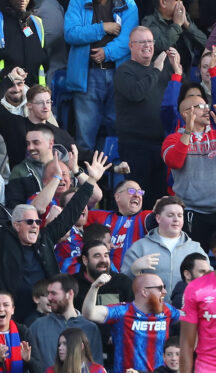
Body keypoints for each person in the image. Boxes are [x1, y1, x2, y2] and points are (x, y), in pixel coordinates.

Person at [0, 151, 109, 322]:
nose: (35, 226)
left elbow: (70, 214)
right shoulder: (1, 238)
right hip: (9, 316)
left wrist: (90, 181)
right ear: (16, 225)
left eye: (37, 222)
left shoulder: (45, 238)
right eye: (29, 222)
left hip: (43, 314)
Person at [83, 271, 180, 373]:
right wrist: (95, 287)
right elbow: (89, 313)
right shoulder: (122, 311)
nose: (165, 292)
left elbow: (191, 318)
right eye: (160, 288)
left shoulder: (166, 311)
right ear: (145, 292)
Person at [64, 0, 138, 153]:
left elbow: (129, 39)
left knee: (117, 134)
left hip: (118, 76)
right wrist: (102, 28)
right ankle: (86, 176)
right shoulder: (77, 2)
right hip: (88, 74)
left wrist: (107, 52)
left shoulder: (128, 3)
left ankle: (118, 175)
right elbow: (70, 33)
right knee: (85, 139)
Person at [114, 26, 169, 205]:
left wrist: (176, 70)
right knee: (139, 198)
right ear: (131, 46)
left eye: (150, 41)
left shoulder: (160, 71)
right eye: (142, 42)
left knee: (160, 199)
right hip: (135, 146)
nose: (147, 45)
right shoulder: (124, 71)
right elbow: (136, 93)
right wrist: (156, 70)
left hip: (161, 145)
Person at [121, 196, 206, 303]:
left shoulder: (195, 248)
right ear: (158, 218)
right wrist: (133, 270)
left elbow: (209, 282)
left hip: (185, 313)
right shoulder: (139, 247)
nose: (176, 219)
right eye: (170, 215)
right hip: (150, 314)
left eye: (180, 215)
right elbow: (122, 286)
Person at [162, 94, 216, 252]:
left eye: (207, 105)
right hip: (192, 213)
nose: (207, 109)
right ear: (186, 113)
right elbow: (174, 162)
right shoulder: (173, 139)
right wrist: (188, 132)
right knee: (195, 262)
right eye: (200, 107)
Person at [28, 273, 104, 373]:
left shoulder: (90, 328)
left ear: (69, 294)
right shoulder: (37, 327)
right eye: (48, 293)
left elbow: (96, 368)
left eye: (53, 293)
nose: (49, 298)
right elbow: (29, 366)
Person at [85, 179, 153, 270]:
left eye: (140, 192)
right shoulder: (100, 216)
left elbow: (161, 218)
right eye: (131, 191)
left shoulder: (144, 217)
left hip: (135, 279)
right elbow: (73, 212)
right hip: (101, 277)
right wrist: (78, 172)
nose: (137, 195)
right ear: (117, 197)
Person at [0, 0, 46, 88]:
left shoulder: (37, 22)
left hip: (33, 92)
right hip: (2, 93)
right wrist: (4, 53)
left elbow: (43, 57)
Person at [142, 0, 206, 73]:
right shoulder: (149, 21)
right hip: (164, 78)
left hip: (186, 76)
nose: (181, 3)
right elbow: (161, 45)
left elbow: (205, 44)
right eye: (177, 0)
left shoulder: (183, 19)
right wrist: (177, 25)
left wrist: (187, 24)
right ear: (163, 2)